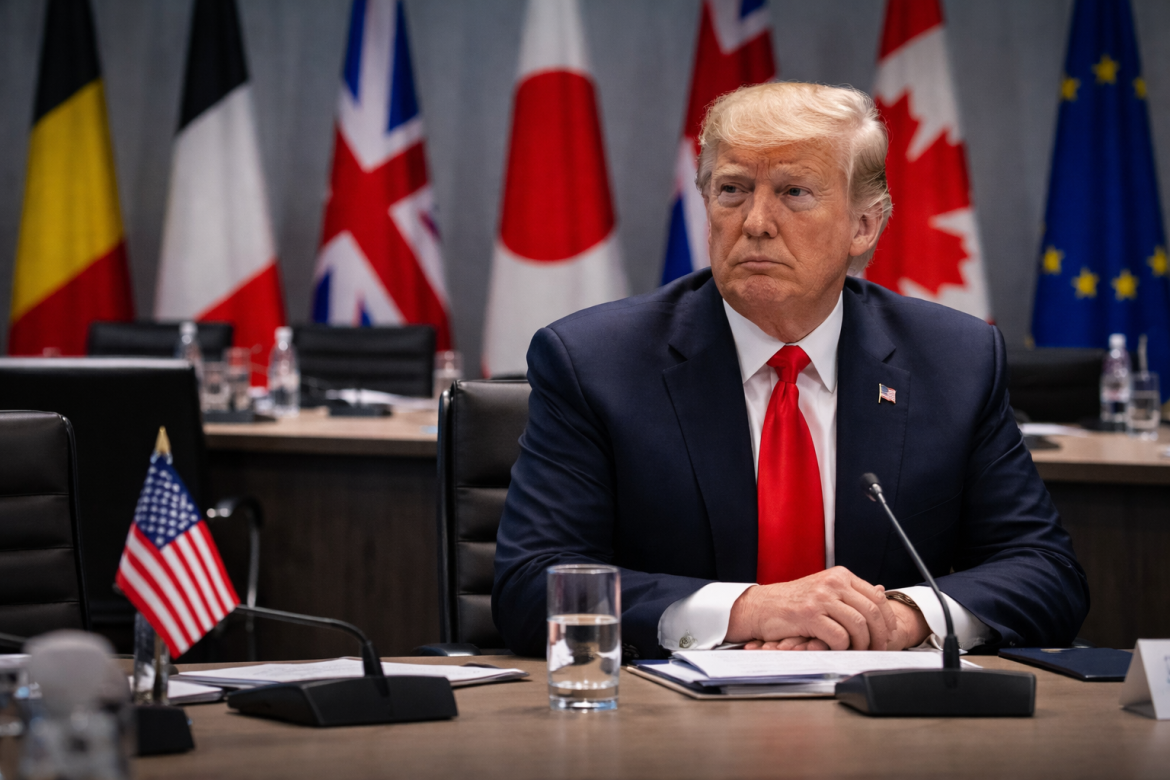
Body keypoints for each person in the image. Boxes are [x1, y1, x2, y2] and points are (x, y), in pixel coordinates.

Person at [492, 82, 1088, 660]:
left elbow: (1045, 571)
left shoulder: (956, 360)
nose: (755, 221)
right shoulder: (595, 362)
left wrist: (898, 619)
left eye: (794, 192)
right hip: (670, 711)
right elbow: (531, 585)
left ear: (864, 225)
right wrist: (751, 610)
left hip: (879, 705)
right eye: (732, 190)